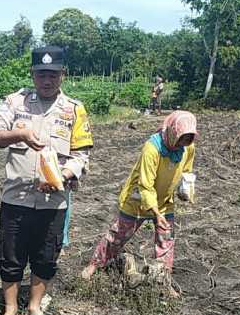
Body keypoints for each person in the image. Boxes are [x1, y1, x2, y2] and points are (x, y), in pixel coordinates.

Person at [0, 46, 93, 315]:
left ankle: (34, 308)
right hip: (16, 198)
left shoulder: (74, 110)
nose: (47, 80)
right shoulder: (15, 102)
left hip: (53, 201)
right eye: (41, 74)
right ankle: (9, 310)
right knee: (10, 256)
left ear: (63, 75)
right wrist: (18, 134)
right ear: (33, 74)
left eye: (53, 74)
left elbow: (82, 156)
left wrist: (63, 175)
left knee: (46, 257)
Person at [80, 111, 198, 296]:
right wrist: (156, 214)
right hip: (138, 199)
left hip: (165, 201)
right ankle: (93, 266)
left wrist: (186, 187)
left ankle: (164, 281)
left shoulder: (187, 148)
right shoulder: (152, 148)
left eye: (188, 139)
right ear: (173, 131)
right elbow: (145, 185)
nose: (184, 143)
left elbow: (187, 169)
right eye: (182, 138)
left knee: (166, 241)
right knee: (118, 235)